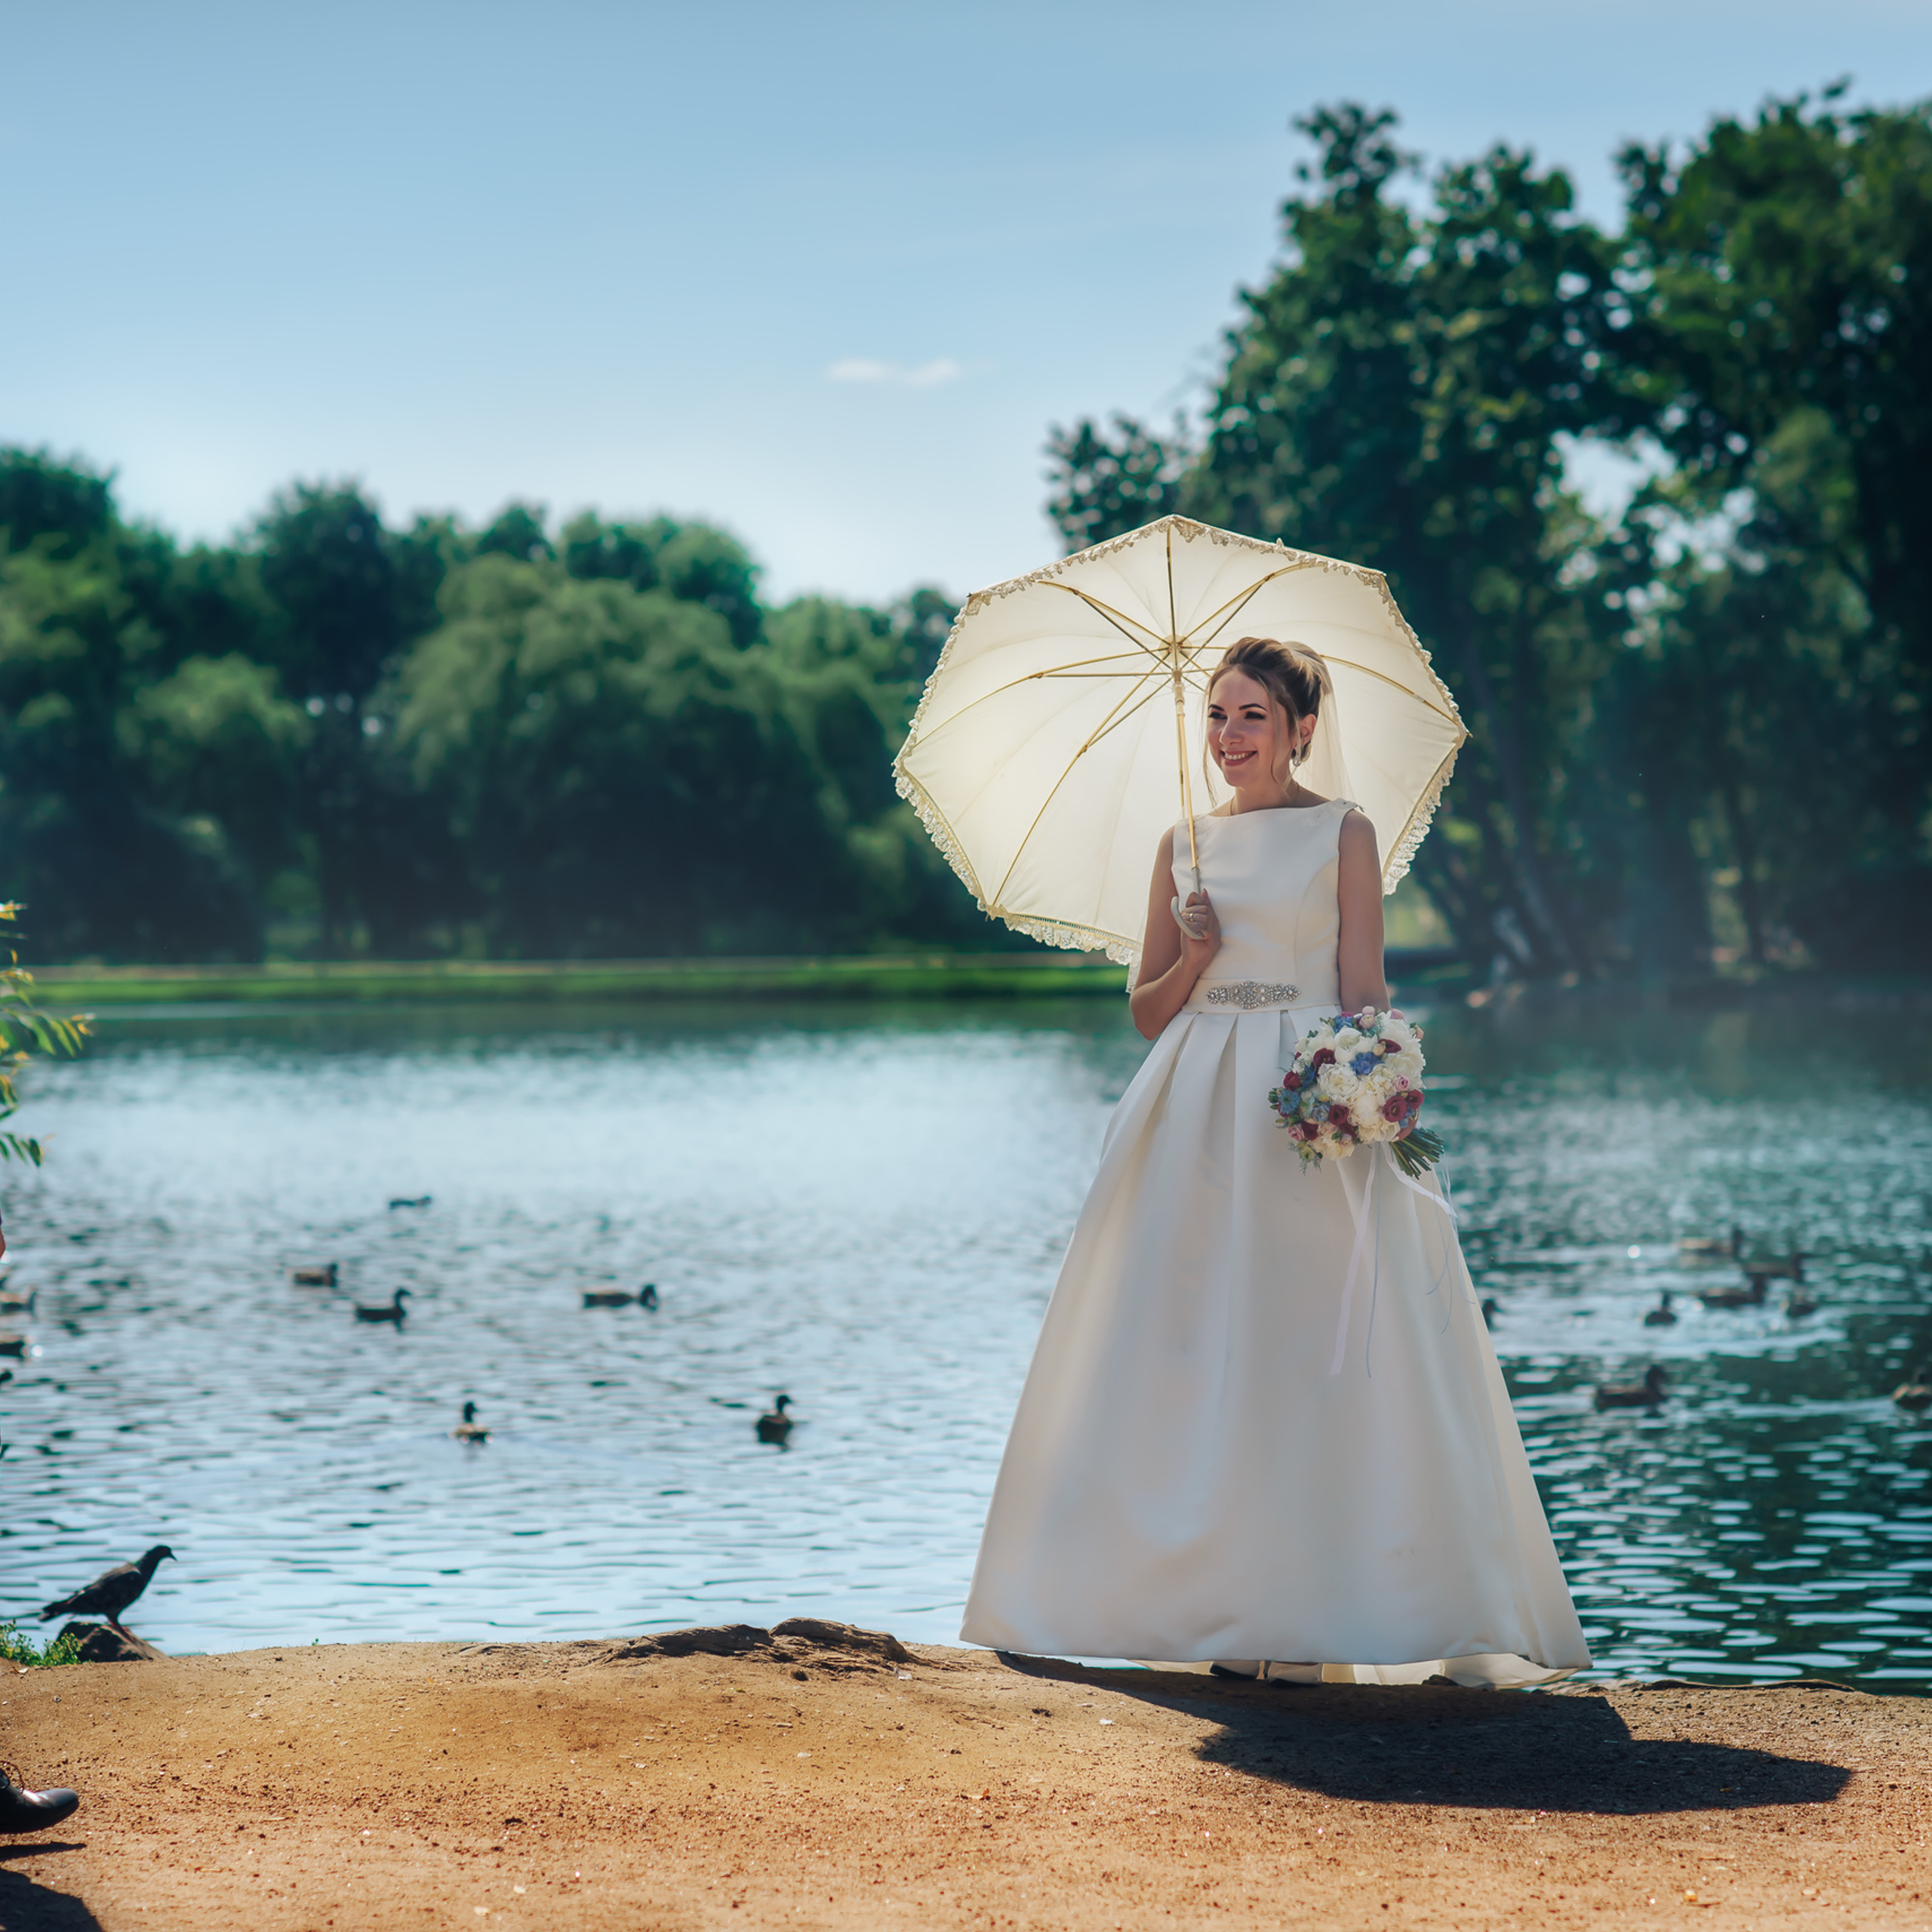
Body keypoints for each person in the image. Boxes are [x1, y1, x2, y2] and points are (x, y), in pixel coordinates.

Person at [960, 636, 1589, 1686]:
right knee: (1182, 1340)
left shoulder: (1343, 832)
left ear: (1300, 727)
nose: (1229, 737)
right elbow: (1146, 1012)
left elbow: (1362, 988)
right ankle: (1197, 1605)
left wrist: (1366, 1090)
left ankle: (1315, 1611)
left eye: (1252, 715)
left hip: (1306, 1101)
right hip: (1194, 1106)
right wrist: (1195, 950)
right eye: (1215, 716)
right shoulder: (1182, 844)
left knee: (1312, 1349)